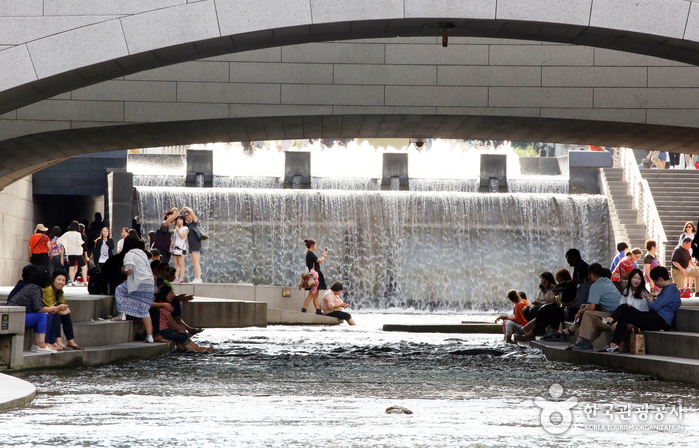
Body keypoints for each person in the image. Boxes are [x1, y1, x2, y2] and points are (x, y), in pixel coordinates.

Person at [597, 266, 681, 353]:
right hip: (656, 318)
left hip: (660, 320)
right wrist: (652, 300)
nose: (655, 284)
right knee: (624, 315)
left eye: (655, 281)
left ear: (660, 279)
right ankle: (613, 345)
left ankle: (609, 320)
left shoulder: (670, 290)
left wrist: (650, 301)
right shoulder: (668, 289)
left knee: (625, 307)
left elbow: (655, 307)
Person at [7, 267, 67, 353]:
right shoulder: (35, 288)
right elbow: (38, 308)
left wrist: (51, 309)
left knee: (43, 315)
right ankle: (41, 345)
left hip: (17, 315)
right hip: (15, 317)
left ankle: (36, 344)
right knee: (42, 315)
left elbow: (36, 307)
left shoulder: (32, 287)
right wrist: (57, 308)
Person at [113, 236, 161, 342]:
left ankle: (122, 314)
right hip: (149, 284)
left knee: (119, 290)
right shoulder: (142, 253)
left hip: (139, 283)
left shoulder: (129, 254)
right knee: (145, 309)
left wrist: (123, 271)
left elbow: (129, 271)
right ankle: (150, 337)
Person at [566, 263, 622, 351]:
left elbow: (591, 308)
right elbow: (601, 302)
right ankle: (581, 343)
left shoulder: (595, 286)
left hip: (613, 316)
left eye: (588, 274)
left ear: (591, 275)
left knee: (588, 314)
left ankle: (584, 343)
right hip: (617, 314)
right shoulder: (606, 281)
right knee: (596, 323)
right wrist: (586, 306)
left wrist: (580, 312)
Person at [152, 286, 213, 351]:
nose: (173, 295)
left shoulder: (160, 304)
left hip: (161, 330)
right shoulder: (164, 305)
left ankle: (191, 349)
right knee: (182, 336)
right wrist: (179, 329)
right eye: (171, 293)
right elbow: (171, 321)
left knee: (181, 336)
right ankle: (198, 350)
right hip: (162, 331)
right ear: (165, 295)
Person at [42, 270, 83, 351]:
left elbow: (64, 306)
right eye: (59, 279)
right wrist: (60, 309)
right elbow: (50, 307)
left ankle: (71, 341)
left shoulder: (60, 291)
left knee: (65, 315)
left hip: (53, 310)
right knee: (56, 314)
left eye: (63, 280)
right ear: (53, 280)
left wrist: (62, 310)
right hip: (45, 311)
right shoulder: (48, 289)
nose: (61, 282)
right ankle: (58, 340)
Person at [302, 238, 327, 314]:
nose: (316, 247)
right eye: (315, 245)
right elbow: (320, 260)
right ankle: (304, 309)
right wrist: (324, 256)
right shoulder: (310, 254)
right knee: (311, 294)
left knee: (315, 294)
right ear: (312, 245)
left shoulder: (309, 254)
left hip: (315, 275)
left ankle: (318, 310)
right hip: (315, 276)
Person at [58, 221, 87, 286]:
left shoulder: (67, 234)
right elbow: (78, 243)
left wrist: (66, 244)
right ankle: (85, 282)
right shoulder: (78, 234)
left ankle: (72, 282)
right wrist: (82, 242)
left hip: (70, 252)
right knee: (84, 267)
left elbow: (59, 240)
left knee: (71, 267)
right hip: (78, 252)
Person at [181, 206, 203, 284]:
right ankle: (196, 277)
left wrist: (186, 208)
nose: (187, 217)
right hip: (191, 245)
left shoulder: (194, 222)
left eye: (188, 215)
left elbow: (192, 212)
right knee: (194, 262)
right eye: (185, 216)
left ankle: (198, 278)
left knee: (196, 262)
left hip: (196, 244)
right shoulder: (187, 225)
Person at [171, 215, 189, 283]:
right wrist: (170, 247)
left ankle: (181, 279)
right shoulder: (175, 229)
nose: (178, 221)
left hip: (181, 248)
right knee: (175, 264)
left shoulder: (185, 228)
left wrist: (178, 230)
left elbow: (182, 236)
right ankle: (176, 278)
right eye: (177, 220)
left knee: (181, 264)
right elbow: (173, 238)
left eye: (180, 220)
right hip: (174, 248)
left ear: (183, 221)